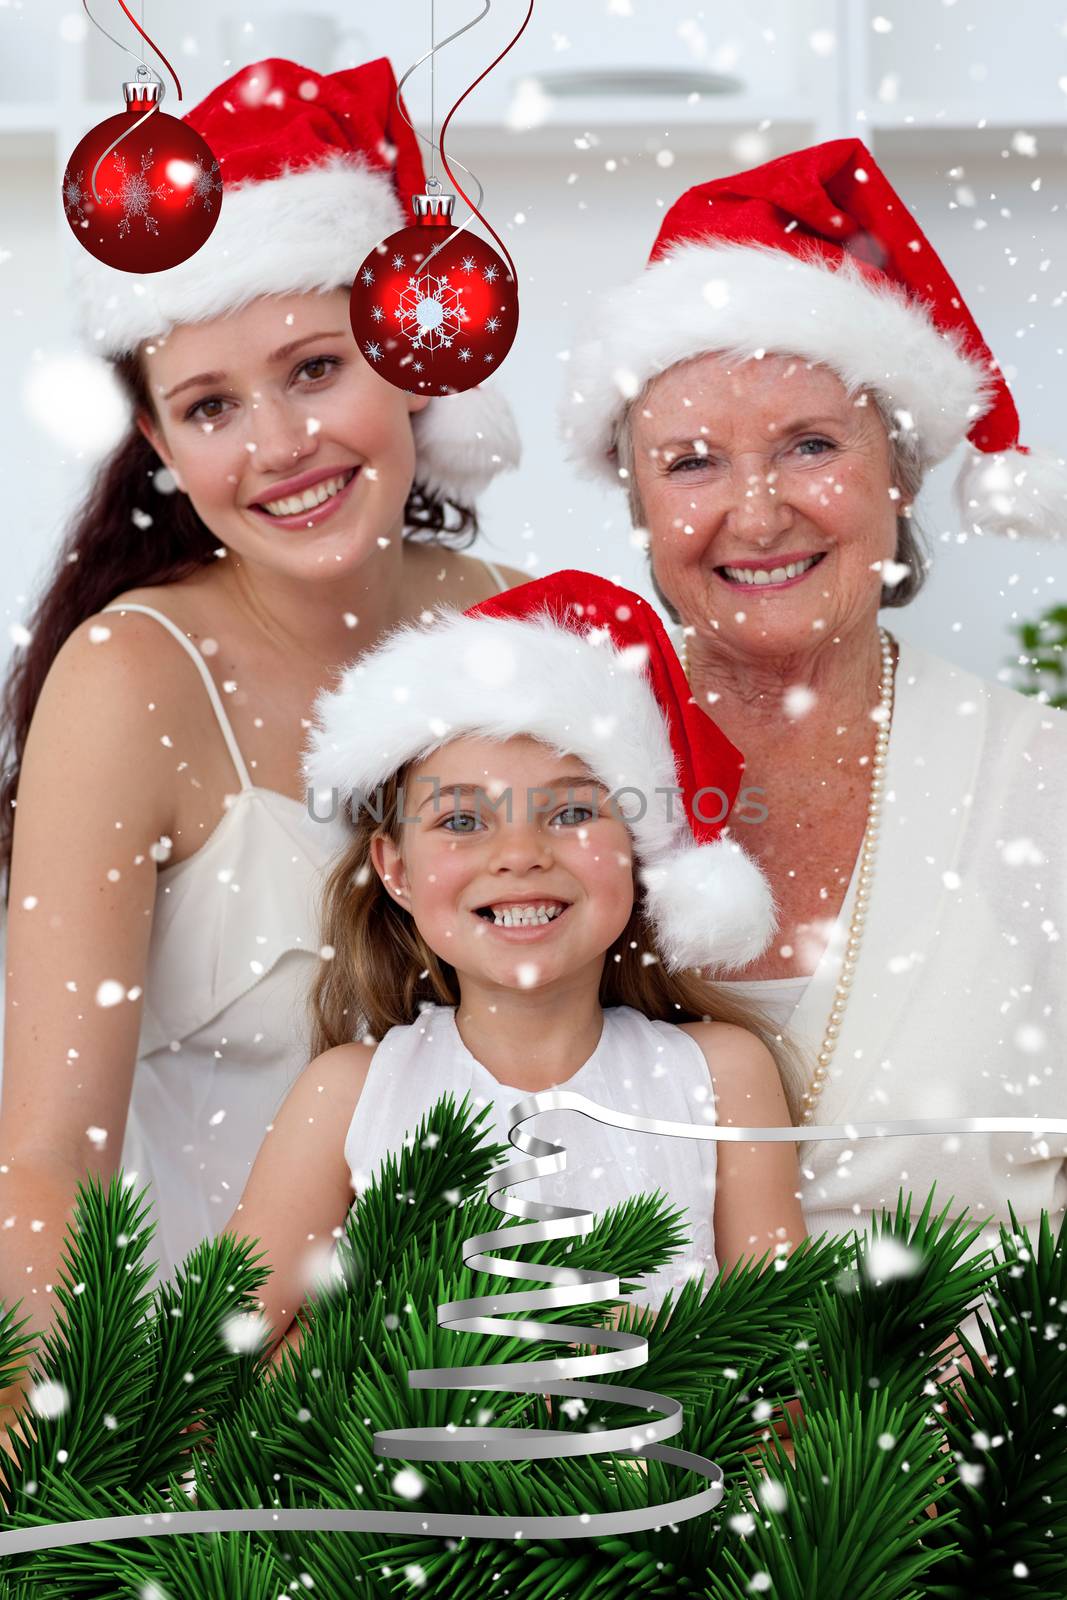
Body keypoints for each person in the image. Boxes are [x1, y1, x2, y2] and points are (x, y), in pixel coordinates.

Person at [0, 55, 526, 1335]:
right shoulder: (132, 681)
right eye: (209, 406)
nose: (279, 446)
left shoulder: (521, 625)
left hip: (503, 1393)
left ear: (406, 362)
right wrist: (100, 1454)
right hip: (217, 1441)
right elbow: (51, 1156)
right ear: (166, 450)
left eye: (311, 370)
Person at [561, 137, 1067, 1263]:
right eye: (690, 461)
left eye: (808, 445)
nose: (755, 514)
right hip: (628, 1425)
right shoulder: (548, 772)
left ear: (899, 471)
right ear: (635, 500)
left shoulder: (1047, 786)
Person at [225, 570, 805, 1350]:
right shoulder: (348, 1095)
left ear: (638, 851)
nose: (520, 855)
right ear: (395, 870)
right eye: (463, 819)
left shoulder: (719, 1079)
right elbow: (219, 1360)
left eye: (569, 812)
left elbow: (787, 1367)